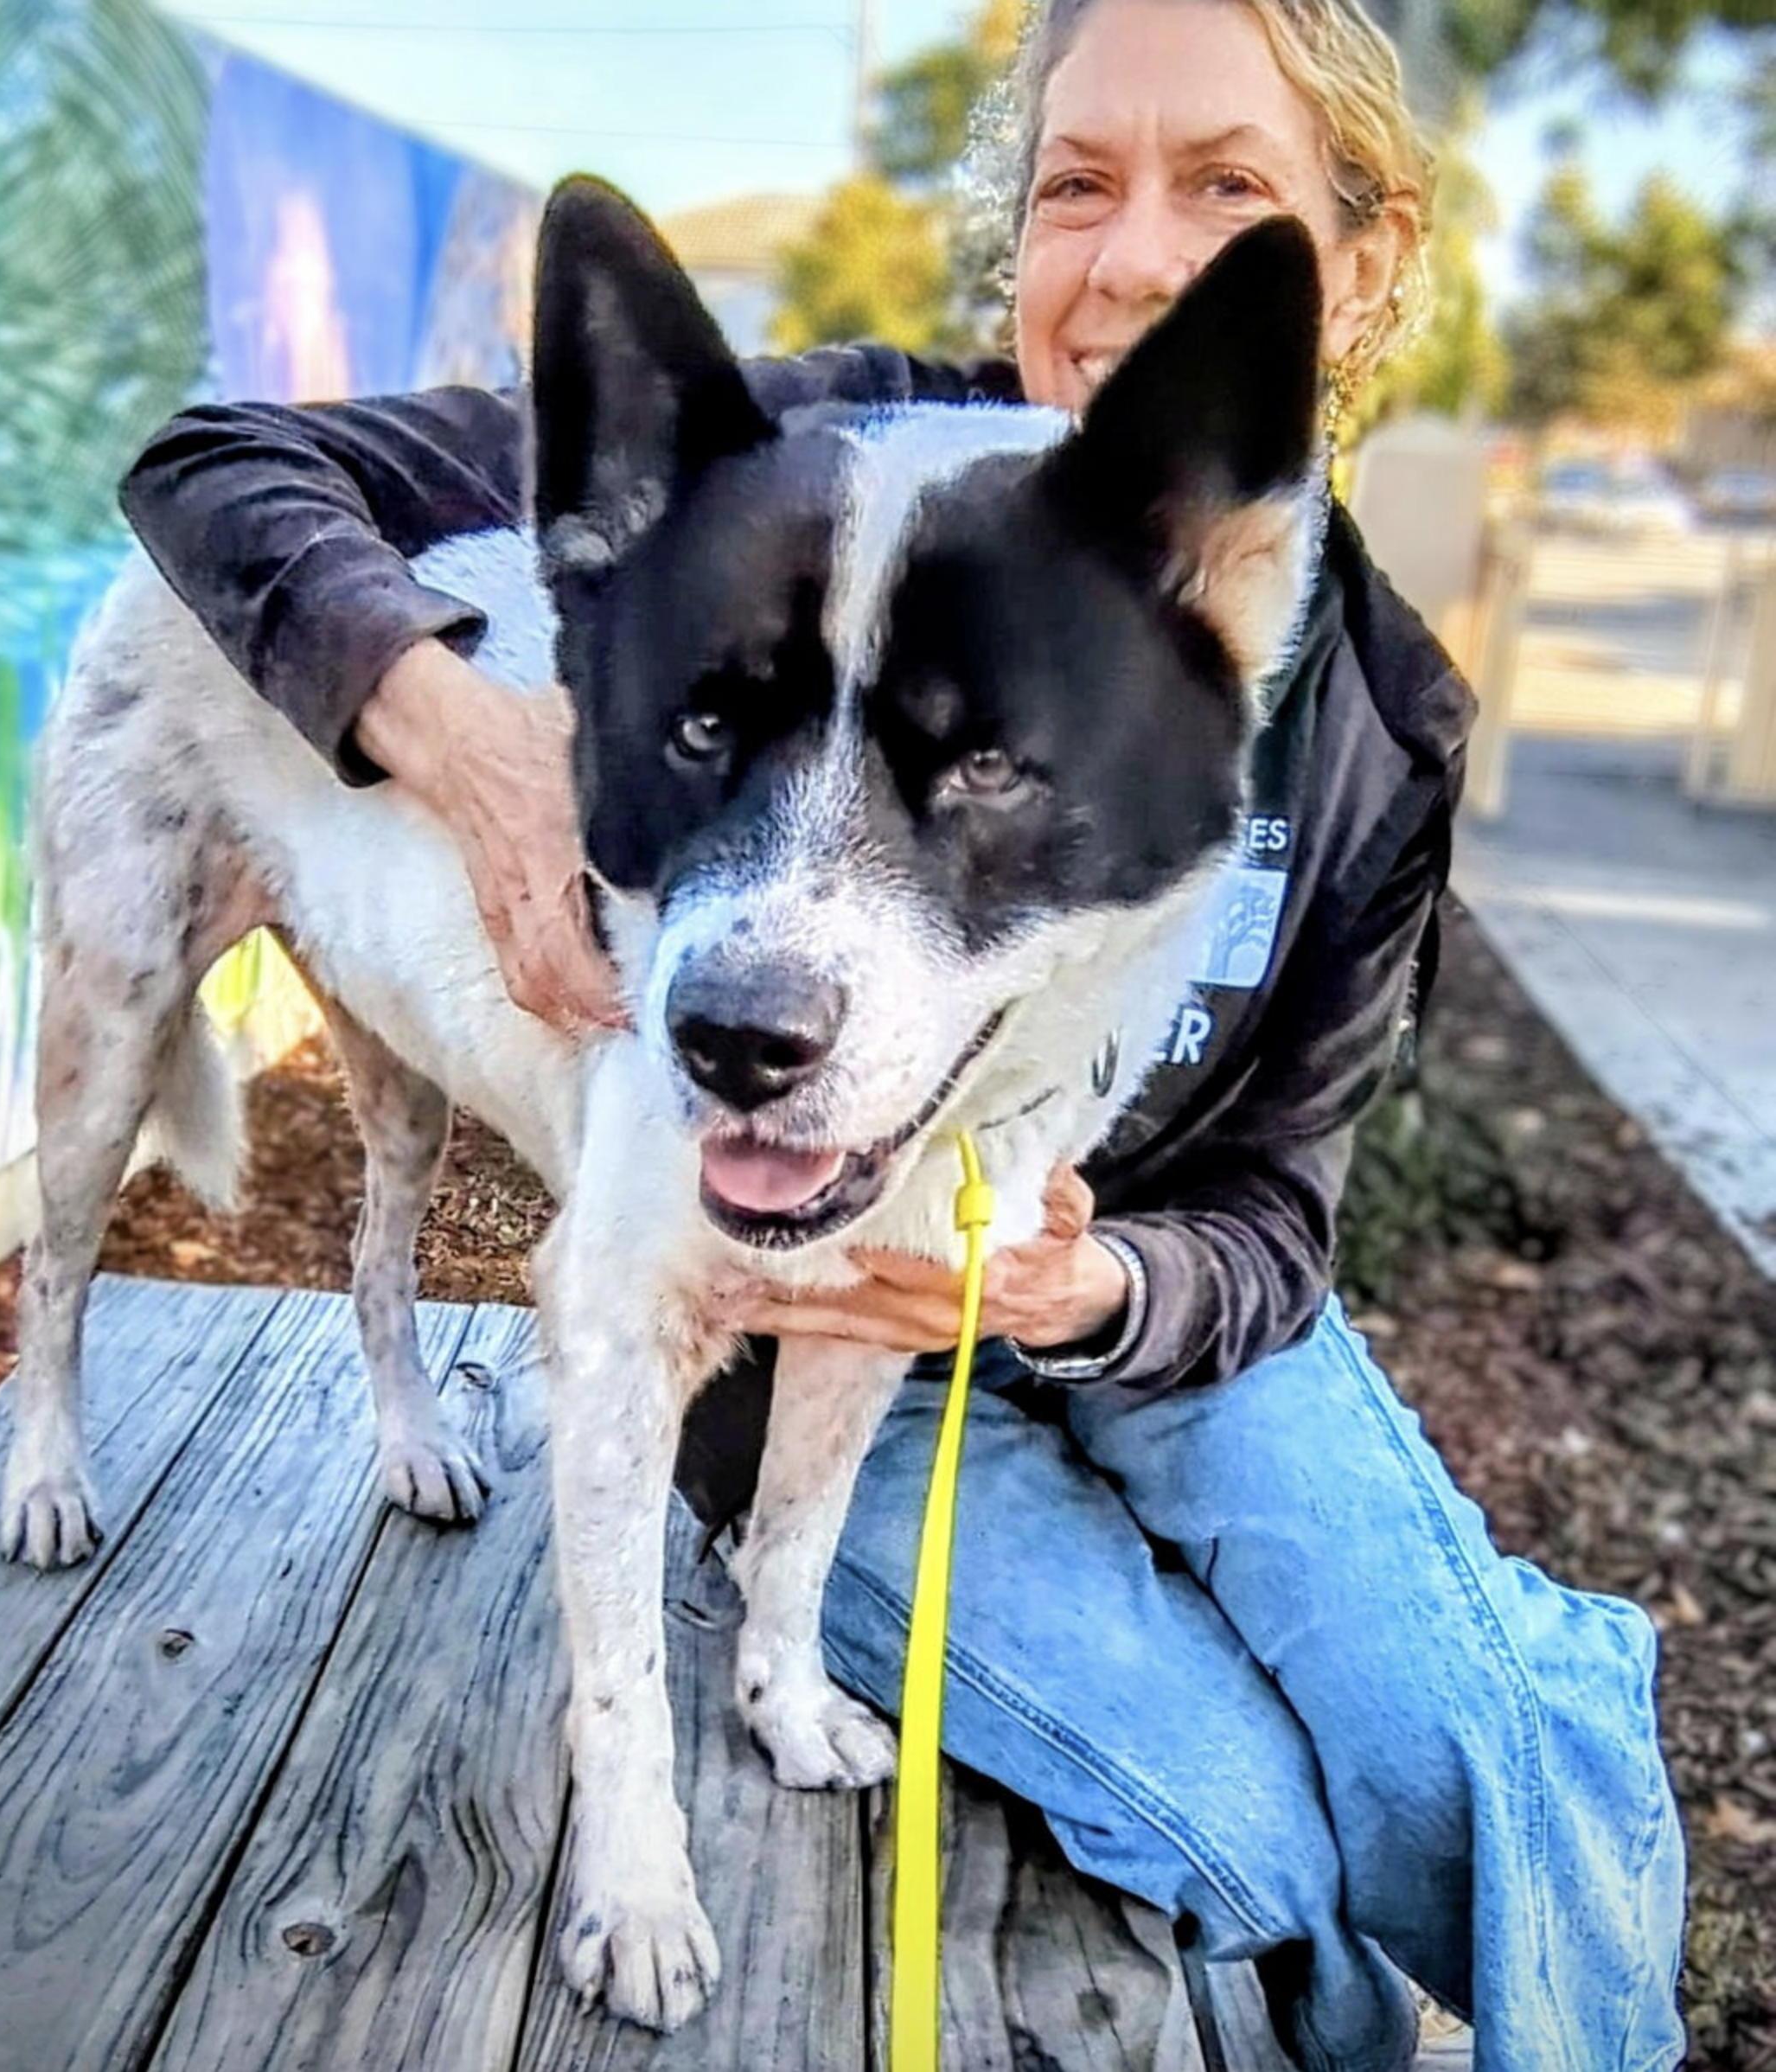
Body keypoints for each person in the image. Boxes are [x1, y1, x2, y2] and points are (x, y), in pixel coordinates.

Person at [118, 2, 1686, 2064]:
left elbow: (1278, 1211)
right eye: (1076, 182)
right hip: (801, 1344)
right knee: (1242, 1826)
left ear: (1362, 261)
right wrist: (463, 739)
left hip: (1124, 1311)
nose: (1133, 258)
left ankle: (1522, 1782)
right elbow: (216, 468)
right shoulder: (814, 462)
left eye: (1226, 186)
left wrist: (1082, 1286)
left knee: (1472, 1726)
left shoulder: (1382, 723)